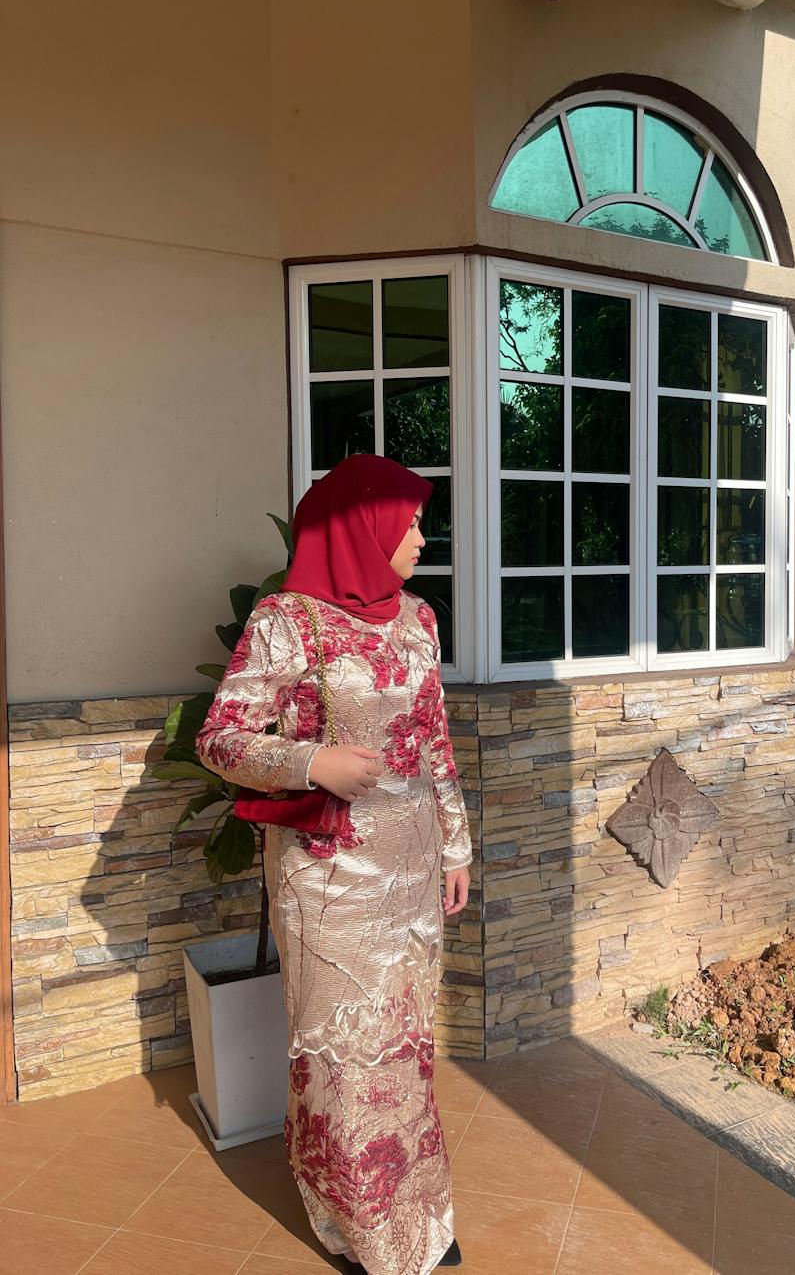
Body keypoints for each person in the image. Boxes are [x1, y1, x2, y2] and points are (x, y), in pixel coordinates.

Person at [195, 453, 472, 1275]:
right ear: (362, 526)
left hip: (412, 861)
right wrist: (311, 762)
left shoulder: (418, 618)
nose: (421, 539)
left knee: (406, 1041)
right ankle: (355, 1220)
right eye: (410, 523)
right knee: (340, 1051)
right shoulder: (287, 620)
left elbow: (434, 739)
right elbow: (219, 737)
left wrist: (456, 844)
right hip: (329, 874)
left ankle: (418, 1207)